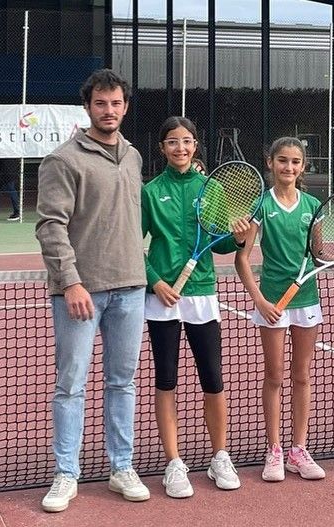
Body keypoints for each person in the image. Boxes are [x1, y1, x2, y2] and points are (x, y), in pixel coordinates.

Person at [36, 69, 149, 513]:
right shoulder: (63, 160)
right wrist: (72, 282)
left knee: (123, 383)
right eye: (100, 103)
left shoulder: (135, 156)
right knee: (71, 386)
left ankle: (122, 467)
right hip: (79, 295)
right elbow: (50, 226)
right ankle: (66, 473)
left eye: (116, 103)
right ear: (88, 108)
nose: (109, 111)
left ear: (125, 106)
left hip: (131, 289)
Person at [235, 137, 334, 482]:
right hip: (273, 302)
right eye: (282, 161)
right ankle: (273, 450)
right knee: (274, 376)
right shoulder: (260, 206)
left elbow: (317, 257)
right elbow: (242, 258)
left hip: (306, 301)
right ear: (271, 163)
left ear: (303, 167)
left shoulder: (312, 205)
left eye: (295, 162)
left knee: (301, 375)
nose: (288, 167)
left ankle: (298, 450)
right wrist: (259, 300)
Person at [142, 116, 249, 498]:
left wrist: (236, 240)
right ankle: (173, 463)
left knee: (213, 378)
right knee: (166, 379)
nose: (181, 148)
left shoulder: (212, 187)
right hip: (162, 298)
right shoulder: (150, 192)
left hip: (202, 293)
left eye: (187, 141)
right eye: (173, 142)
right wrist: (155, 281)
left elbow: (218, 243)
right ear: (163, 148)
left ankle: (220, 455)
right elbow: (133, 246)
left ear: (196, 145)